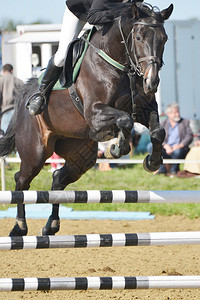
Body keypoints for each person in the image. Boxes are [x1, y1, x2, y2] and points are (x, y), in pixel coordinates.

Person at [27, 0, 142, 116]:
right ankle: (41, 93)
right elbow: (93, 17)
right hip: (79, 11)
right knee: (62, 55)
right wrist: (117, 12)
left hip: (103, 12)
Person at [152, 103, 193, 175]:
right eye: (175, 113)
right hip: (166, 148)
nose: (177, 114)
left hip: (180, 148)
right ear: (168, 114)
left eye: (178, 112)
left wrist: (180, 145)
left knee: (178, 152)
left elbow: (189, 136)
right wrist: (165, 146)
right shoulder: (163, 124)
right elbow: (158, 137)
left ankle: (174, 170)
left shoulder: (185, 122)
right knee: (151, 147)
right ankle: (162, 169)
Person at [0, 64, 24, 134]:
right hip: (18, 111)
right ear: (12, 70)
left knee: (5, 136)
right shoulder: (18, 81)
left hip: (6, 111)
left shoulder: (1, 81)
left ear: (3, 71)